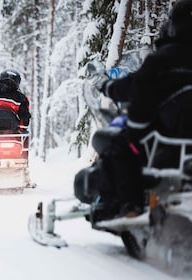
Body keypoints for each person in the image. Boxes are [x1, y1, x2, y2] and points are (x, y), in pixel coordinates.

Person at [81, 0, 192, 220]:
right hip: (183, 143)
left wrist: (108, 88)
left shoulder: (163, 58)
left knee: (120, 146)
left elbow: (138, 89)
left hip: (166, 139)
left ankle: (129, 205)